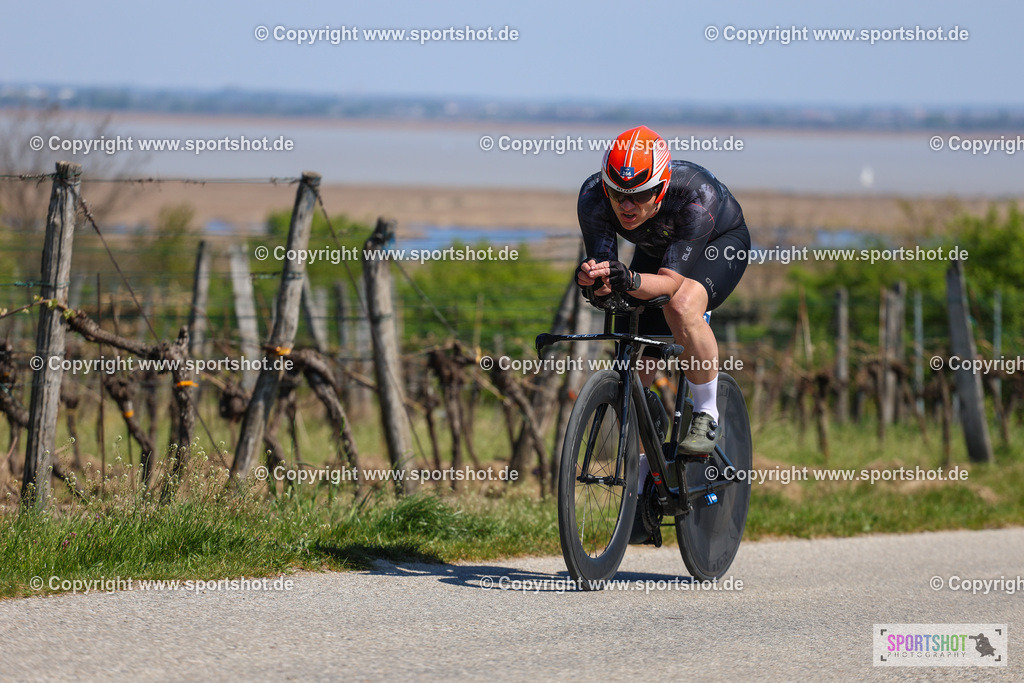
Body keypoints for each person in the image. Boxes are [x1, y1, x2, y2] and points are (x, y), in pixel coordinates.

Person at [575, 125, 750, 459]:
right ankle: (644, 482)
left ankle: (707, 413)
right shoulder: (594, 196)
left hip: (718, 244)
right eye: (617, 193)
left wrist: (630, 280)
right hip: (658, 247)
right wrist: (595, 280)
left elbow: (669, 284)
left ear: (661, 187)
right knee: (633, 376)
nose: (626, 206)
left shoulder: (695, 195)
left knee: (681, 306)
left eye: (639, 195)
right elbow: (608, 270)